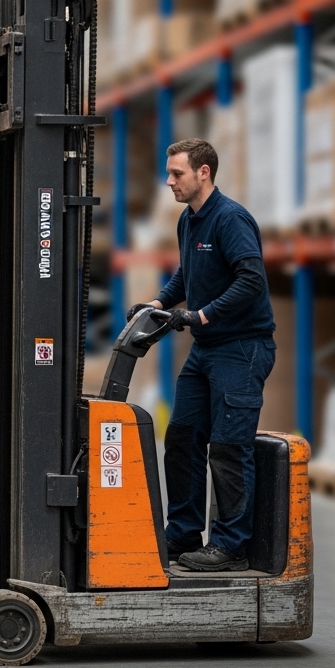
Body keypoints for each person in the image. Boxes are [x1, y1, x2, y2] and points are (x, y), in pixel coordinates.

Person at [128, 137, 275, 572]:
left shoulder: (230, 219)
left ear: (203, 173)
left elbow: (251, 280)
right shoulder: (188, 221)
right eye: (169, 172)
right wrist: (158, 304)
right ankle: (184, 533)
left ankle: (231, 545)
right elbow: (186, 274)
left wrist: (202, 315)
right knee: (182, 438)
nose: (169, 180)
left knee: (228, 448)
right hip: (206, 351)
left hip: (241, 349)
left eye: (177, 173)